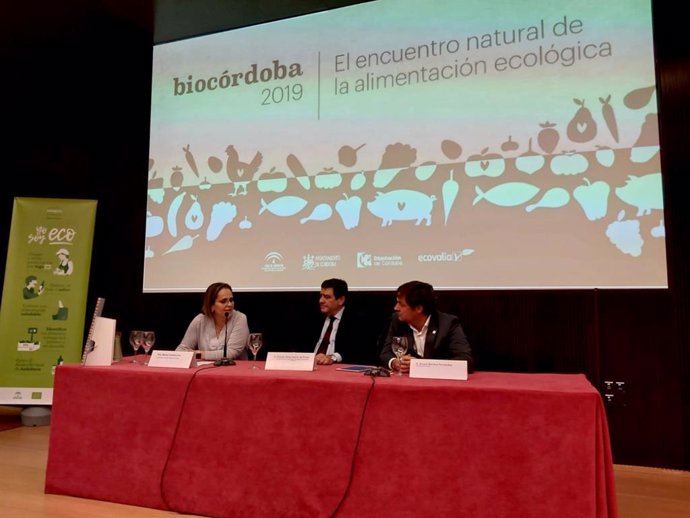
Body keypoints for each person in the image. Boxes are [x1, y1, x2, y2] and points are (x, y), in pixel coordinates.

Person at [380, 280, 474, 373]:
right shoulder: (397, 321)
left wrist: (420, 365)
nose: (396, 308)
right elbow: (385, 353)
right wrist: (394, 362)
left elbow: (466, 361)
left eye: (401, 304)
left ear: (419, 308)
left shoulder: (448, 324)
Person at [311, 278, 377, 366]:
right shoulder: (312, 317)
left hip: (336, 368)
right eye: (321, 296)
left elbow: (359, 351)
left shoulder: (357, 320)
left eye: (327, 297)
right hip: (310, 366)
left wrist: (332, 357)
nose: (321, 301)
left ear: (341, 300)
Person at [176, 282, 249, 361]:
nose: (230, 304)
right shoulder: (200, 320)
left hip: (233, 371)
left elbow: (231, 353)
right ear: (212, 305)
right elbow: (181, 350)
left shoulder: (240, 318)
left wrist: (198, 354)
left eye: (231, 300)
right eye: (223, 301)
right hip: (205, 370)